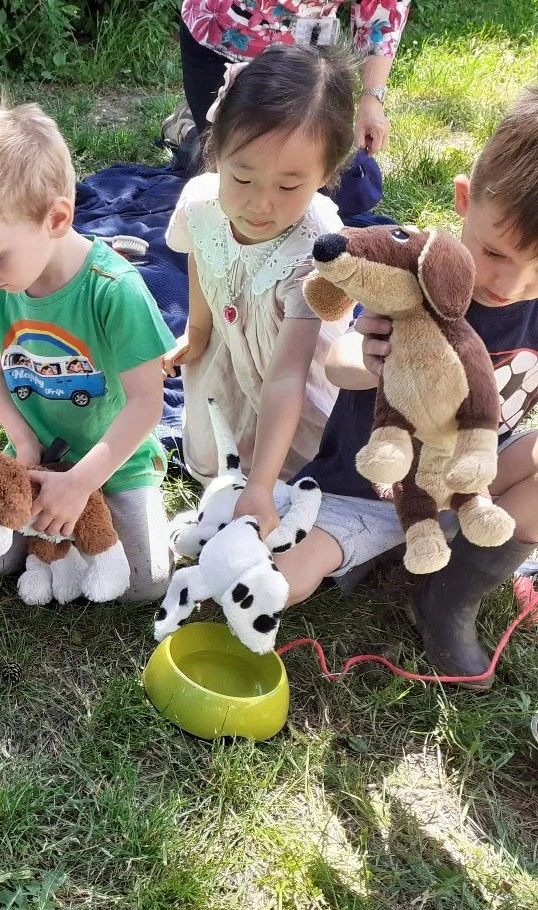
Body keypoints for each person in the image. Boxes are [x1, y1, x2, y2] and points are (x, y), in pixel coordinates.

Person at [273, 87, 538, 687]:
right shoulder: (420, 273)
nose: (510, 282)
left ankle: (447, 598)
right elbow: (337, 360)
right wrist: (366, 358)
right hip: (375, 488)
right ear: (465, 201)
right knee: (292, 575)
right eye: (494, 252)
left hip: (469, 481)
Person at [0, 99, 177, 601]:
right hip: (36, 458)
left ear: (56, 218)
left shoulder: (114, 291)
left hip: (114, 460)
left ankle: (95, 526)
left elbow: (147, 403)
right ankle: (65, 543)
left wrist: (83, 482)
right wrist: (22, 442)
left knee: (146, 584)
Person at [165, 44, 357, 537]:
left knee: (292, 481)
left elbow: (287, 377)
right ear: (216, 153)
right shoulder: (202, 203)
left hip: (291, 379)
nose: (260, 203)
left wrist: (262, 486)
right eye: (243, 176)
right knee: (213, 453)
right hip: (233, 351)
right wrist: (198, 327)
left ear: (325, 177)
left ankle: (268, 475)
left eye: (289, 186)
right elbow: (200, 255)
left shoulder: (315, 249)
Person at [179, 1, 410, 155]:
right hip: (220, 37)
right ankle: (186, 132)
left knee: (309, 177)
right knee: (229, 168)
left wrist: (371, 98)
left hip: (309, 47)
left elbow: (383, 8)